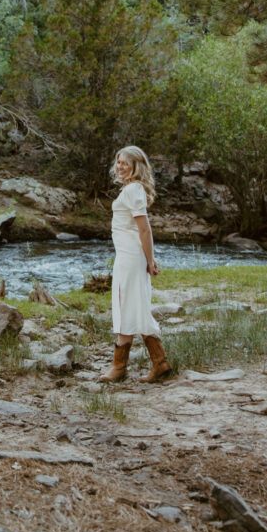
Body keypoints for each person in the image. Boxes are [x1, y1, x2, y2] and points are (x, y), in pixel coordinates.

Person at [100, 146, 171, 384]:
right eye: (118, 162)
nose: (120, 167)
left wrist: (149, 260)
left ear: (136, 166)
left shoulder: (133, 190)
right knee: (129, 304)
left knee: (127, 303)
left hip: (130, 257)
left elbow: (144, 228)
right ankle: (154, 363)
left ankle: (123, 367)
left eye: (125, 163)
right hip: (129, 254)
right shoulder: (132, 189)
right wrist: (147, 256)